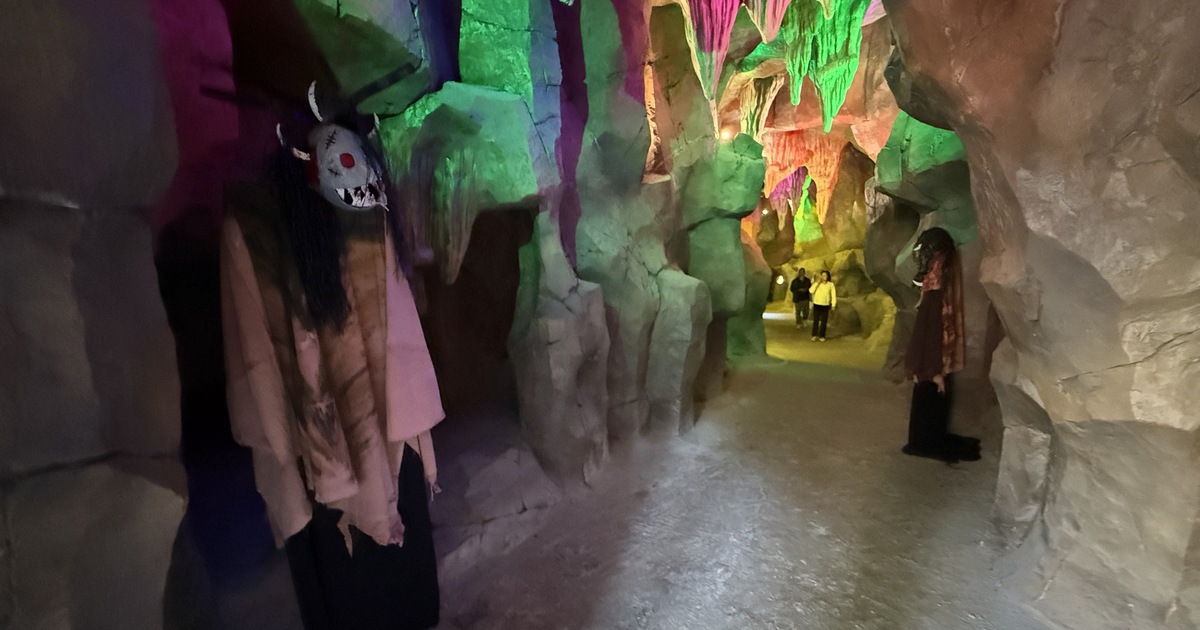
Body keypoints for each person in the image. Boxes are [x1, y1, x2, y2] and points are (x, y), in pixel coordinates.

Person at [222, 90, 444, 630]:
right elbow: (255, 345)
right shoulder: (254, 228)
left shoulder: (363, 212)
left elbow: (395, 309)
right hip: (331, 446)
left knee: (384, 577)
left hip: (365, 437)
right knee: (363, 580)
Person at [902, 227, 981, 464]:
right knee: (931, 403)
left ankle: (924, 440)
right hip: (930, 367)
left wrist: (931, 370)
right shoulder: (937, 292)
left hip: (929, 366)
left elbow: (930, 334)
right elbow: (932, 333)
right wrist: (934, 370)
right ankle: (925, 440)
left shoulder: (935, 294)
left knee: (928, 404)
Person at [809, 270, 836, 341]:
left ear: (828, 276)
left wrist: (833, 305)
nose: (824, 277)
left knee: (824, 321)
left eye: (825, 275)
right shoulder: (817, 284)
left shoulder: (830, 284)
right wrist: (817, 283)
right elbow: (811, 290)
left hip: (825, 305)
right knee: (816, 320)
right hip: (817, 304)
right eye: (823, 275)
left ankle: (822, 335)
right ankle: (814, 335)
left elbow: (833, 295)